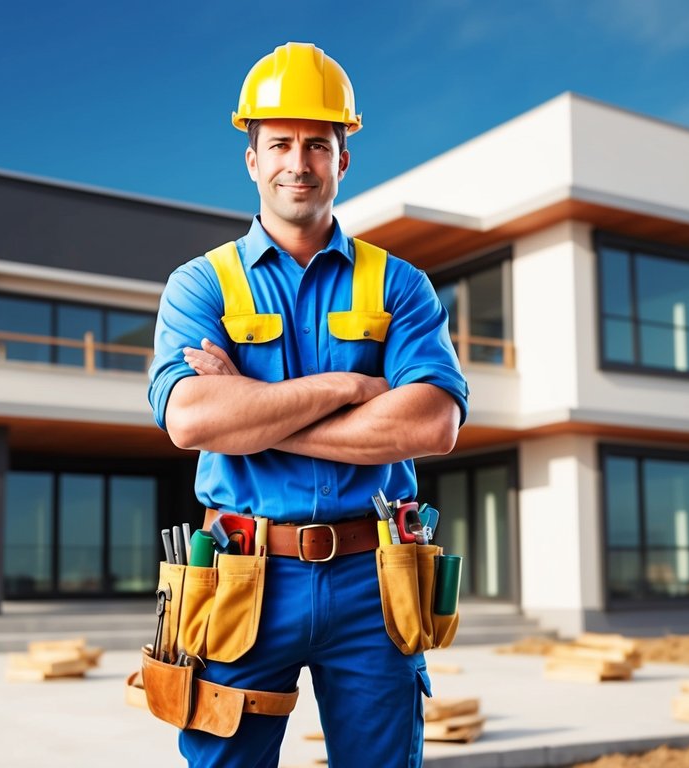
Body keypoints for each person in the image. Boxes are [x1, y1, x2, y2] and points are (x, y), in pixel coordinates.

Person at [147, 42, 469, 767]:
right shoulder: (201, 285)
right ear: (252, 160)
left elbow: (432, 423)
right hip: (239, 575)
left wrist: (254, 414)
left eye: (317, 145)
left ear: (342, 160)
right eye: (281, 144)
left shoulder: (399, 286)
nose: (299, 162)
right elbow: (192, 419)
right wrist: (352, 389)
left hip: (373, 578)